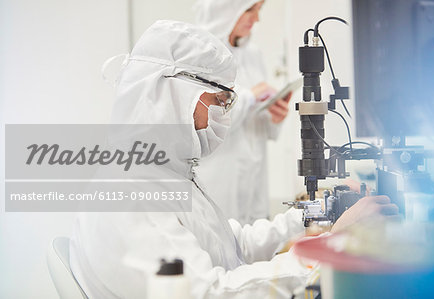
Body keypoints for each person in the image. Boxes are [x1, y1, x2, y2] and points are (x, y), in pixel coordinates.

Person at [70, 20, 399, 299]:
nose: (225, 115)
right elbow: (213, 293)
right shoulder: (131, 191)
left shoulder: (162, 172)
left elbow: (231, 245)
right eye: (221, 100)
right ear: (172, 95)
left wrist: (316, 213)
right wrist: (333, 244)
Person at [194, 0, 289, 224]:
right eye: (249, 10)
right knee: (223, 240)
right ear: (224, 9)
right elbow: (204, 122)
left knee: (255, 240)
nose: (256, 19)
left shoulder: (252, 53)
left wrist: (274, 117)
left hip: (254, 175)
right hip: (220, 175)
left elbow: (255, 119)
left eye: (258, 10)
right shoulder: (201, 54)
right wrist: (250, 95)